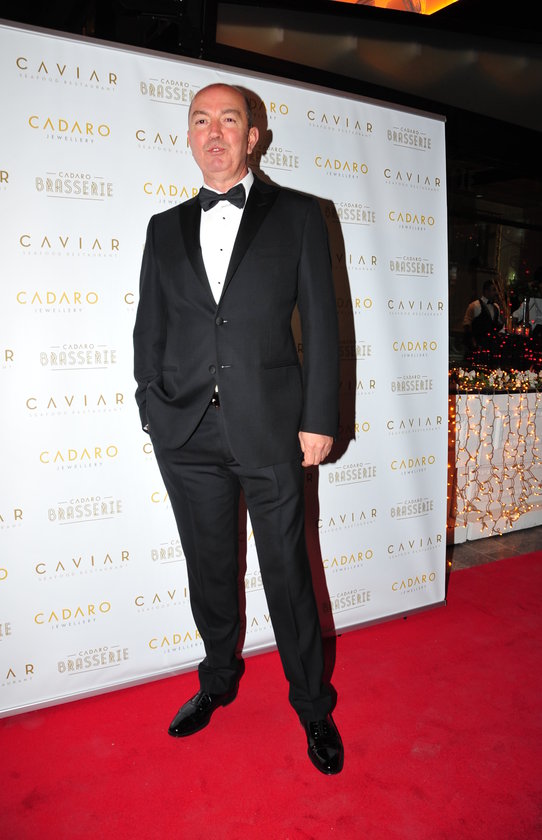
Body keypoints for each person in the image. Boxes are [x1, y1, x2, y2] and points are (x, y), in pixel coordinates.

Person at [133, 83, 343, 774]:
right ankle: (218, 680)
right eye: (201, 120)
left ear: (254, 137)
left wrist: (319, 419)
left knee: (287, 572)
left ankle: (312, 705)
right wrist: (152, 407)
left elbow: (323, 324)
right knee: (210, 569)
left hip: (273, 429)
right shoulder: (163, 228)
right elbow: (149, 327)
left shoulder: (301, 216)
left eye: (229, 119)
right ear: (190, 136)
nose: (214, 132)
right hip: (187, 432)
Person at [462, 278, 503, 355]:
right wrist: (473, 343)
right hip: (477, 346)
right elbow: (466, 325)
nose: (496, 293)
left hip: (491, 347)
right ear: (486, 291)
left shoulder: (496, 307)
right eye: (494, 290)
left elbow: (498, 324)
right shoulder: (474, 305)